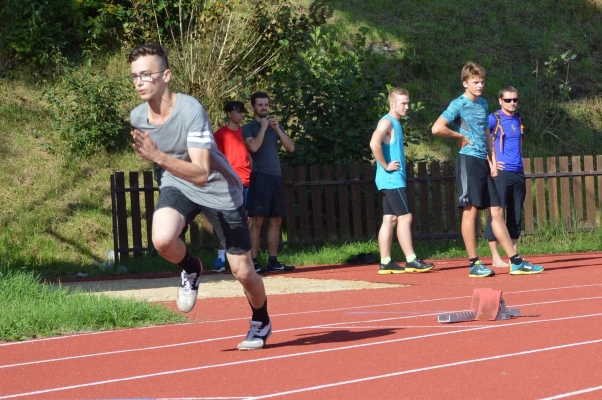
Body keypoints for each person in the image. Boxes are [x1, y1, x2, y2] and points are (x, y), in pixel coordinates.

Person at [128, 43, 271, 349]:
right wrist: (157, 161)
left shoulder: (191, 110)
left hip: (216, 188)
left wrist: (157, 156)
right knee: (163, 239)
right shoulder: (138, 117)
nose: (139, 82)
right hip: (177, 184)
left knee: (242, 270)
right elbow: (163, 163)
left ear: (166, 75)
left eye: (147, 75)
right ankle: (191, 268)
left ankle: (261, 319)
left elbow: (201, 172)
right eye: (134, 76)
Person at [431, 62, 544, 277]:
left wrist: (492, 162)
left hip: (484, 162)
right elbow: (437, 128)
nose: (480, 85)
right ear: (465, 83)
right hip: (468, 161)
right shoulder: (459, 104)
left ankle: (516, 261)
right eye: (475, 82)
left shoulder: (483, 103)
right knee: (471, 211)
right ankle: (474, 263)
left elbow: (486, 134)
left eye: (482, 81)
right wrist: (460, 136)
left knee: (497, 212)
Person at [369, 88, 435, 275]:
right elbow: (374, 143)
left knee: (389, 219)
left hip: (389, 179)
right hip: (392, 179)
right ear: (392, 104)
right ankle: (411, 260)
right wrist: (386, 165)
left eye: (408, 103)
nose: (407, 107)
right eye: (403, 103)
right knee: (405, 217)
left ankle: (385, 262)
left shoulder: (395, 123)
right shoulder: (387, 121)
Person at [242, 91, 295, 273]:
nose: (264, 108)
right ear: (253, 107)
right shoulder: (249, 128)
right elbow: (253, 147)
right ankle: (253, 262)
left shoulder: (275, 127)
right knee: (257, 221)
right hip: (260, 177)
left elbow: (291, 148)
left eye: (266, 105)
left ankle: (273, 260)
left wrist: (278, 129)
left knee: (276, 220)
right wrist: (263, 128)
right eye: (260, 105)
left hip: (276, 177)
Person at [483, 86, 526, 268]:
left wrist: (521, 163)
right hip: (501, 174)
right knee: (497, 214)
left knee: (516, 215)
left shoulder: (519, 118)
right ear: (500, 101)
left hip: (518, 172)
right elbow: (482, 141)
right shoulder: (494, 119)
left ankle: (513, 256)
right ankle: (495, 256)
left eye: (515, 99)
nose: (512, 103)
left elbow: (519, 143)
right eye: (508, 100)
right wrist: (492, 163)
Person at [211, 100, 252, 273]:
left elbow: (252, 154)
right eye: (237, 111)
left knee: (246, 219)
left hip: (247, 180)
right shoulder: (220, 134)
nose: (241, 114)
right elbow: (216, 158)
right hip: (228, 182)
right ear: (229, 113)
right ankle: (221, 258)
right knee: (224, 220)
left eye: (243, 111)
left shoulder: (247, 132)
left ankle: (243, 258)